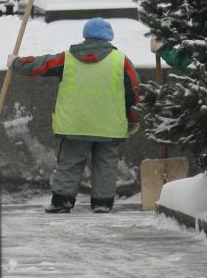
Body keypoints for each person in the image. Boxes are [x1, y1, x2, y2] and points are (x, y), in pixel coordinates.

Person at [8, 17, 140, 214]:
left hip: (75, 124)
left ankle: (62, 201)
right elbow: (134, 93)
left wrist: (16, 63)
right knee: (106, 164)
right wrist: (132, 117)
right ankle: (102, 203)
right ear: (109, 37)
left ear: (86, 35)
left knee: (70, 162)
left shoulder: (67, 58)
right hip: (109, 125)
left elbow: (40, 65)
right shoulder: (121, 61)